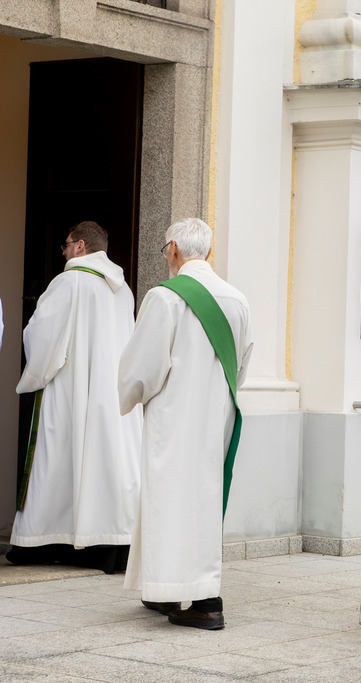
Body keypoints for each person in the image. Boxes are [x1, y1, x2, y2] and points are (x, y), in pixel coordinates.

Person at [118, 217, 253, 630]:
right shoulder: (237, 299)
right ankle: (169, 590)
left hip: (175, 418)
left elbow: (142, 368)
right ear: (209, 253)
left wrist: (129, 393)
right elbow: (242, 367)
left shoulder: (165, 297)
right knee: (201, 503)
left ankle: (205, 601)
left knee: (169, 502)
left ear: (173, 249)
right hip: (216, 418)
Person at [6, 221, 142, 574]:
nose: (63, 252)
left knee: (56, 459)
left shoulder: (69, 282)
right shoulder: (123, 289)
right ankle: (109, 544)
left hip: (71, 392)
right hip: (112, 396)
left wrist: (35, 368)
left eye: (65, 245)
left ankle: (43, 542)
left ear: (80, 246)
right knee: (107, 463)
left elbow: (44, 339)